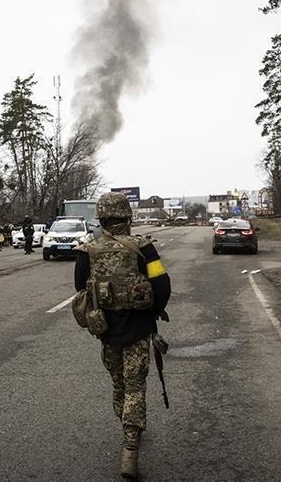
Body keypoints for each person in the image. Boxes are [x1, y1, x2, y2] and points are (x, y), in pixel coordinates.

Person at [74, 192, 171, 479]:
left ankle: (128, 427)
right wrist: (154, 310)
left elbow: (81, 288)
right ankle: (131, 448)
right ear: (128, 217)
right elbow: (162, 285)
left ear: (101, 219)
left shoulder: (87, 251)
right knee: (135, 386)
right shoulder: (144, 248)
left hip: (106, 331)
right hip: (138, 329)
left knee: (119, 385)